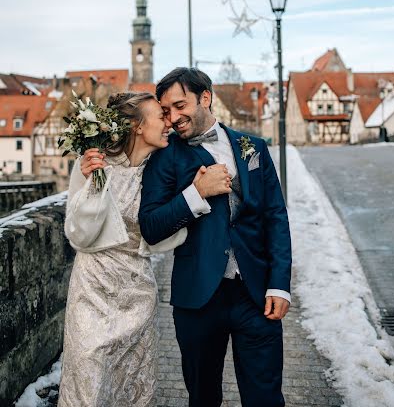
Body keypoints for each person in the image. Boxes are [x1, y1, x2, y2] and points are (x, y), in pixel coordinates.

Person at [139, 68, 292, 407]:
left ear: (205, 98)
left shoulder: (252, 147)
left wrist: (280, 284)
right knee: (203, 397)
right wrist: (196, 193)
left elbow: (275, 217)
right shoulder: (164, 157)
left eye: (180, 105)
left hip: (256, 295)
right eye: (166, 111)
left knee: (266, 397)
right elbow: (150, 225)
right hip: (198, 299)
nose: (173, 117)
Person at [58, 91, 185, 407]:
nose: (168, 122)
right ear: (138, 126)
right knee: (86, 387)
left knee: (131, 388)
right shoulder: (91, 163)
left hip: (137, 291)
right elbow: (79, 235)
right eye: (160, 116)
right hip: (93, 290)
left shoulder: (160, 171)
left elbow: (164, 230)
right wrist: (94, 184)